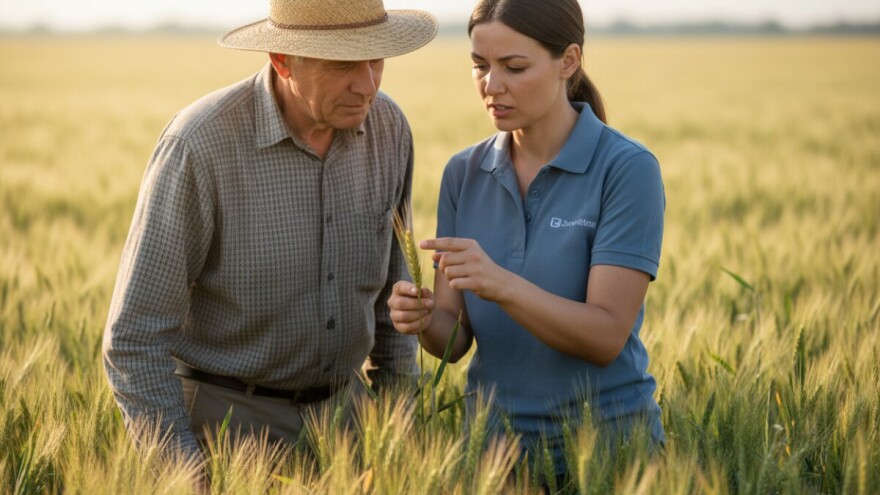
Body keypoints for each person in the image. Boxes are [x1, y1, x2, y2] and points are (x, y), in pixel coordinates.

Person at [102, 0, 438, 462]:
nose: (367, 85)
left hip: (352, 429)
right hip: (227, 431)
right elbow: (134, 338)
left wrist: (399, 434)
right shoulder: (200, 145)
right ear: (282, 60)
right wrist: (178, 469)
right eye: (343, 64)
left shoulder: (390, 129)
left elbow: (394, 312)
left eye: (376, 59)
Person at [387, 0, 665, 478]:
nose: (491, 86)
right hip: (496, 456)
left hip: (610, 455)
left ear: (569, 61)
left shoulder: (626, 170)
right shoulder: (463, 173)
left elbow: (605, 336)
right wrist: (424, 318)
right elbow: (454, 342)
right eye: (480, 66)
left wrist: (502, 285)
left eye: (514, 67)